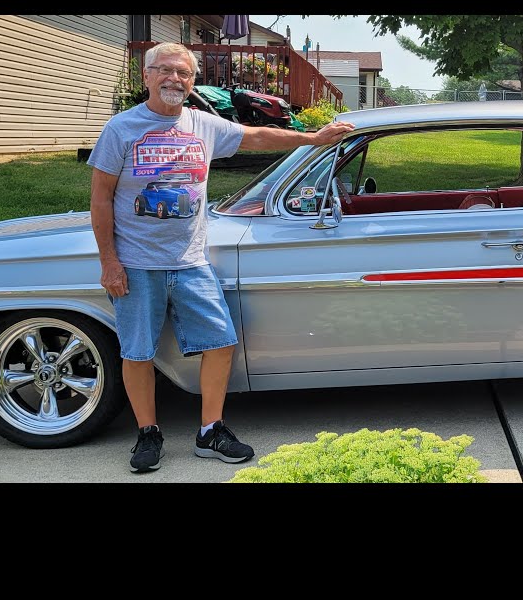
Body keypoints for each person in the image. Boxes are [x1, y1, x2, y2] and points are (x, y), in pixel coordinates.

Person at [88, 42, 354, 473]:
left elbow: (258, 135)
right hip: (137, 262)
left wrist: (311, 139)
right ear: (147, 77)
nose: (175, 79)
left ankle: (211, 430)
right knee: (137, 351)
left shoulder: (202, 124)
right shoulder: (121, 129)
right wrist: (109, 261)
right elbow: (100, 199)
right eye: (166, 71)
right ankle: (148, 434)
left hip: (192, 261)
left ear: (193, 82)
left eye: (184, 74)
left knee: (221, 342)